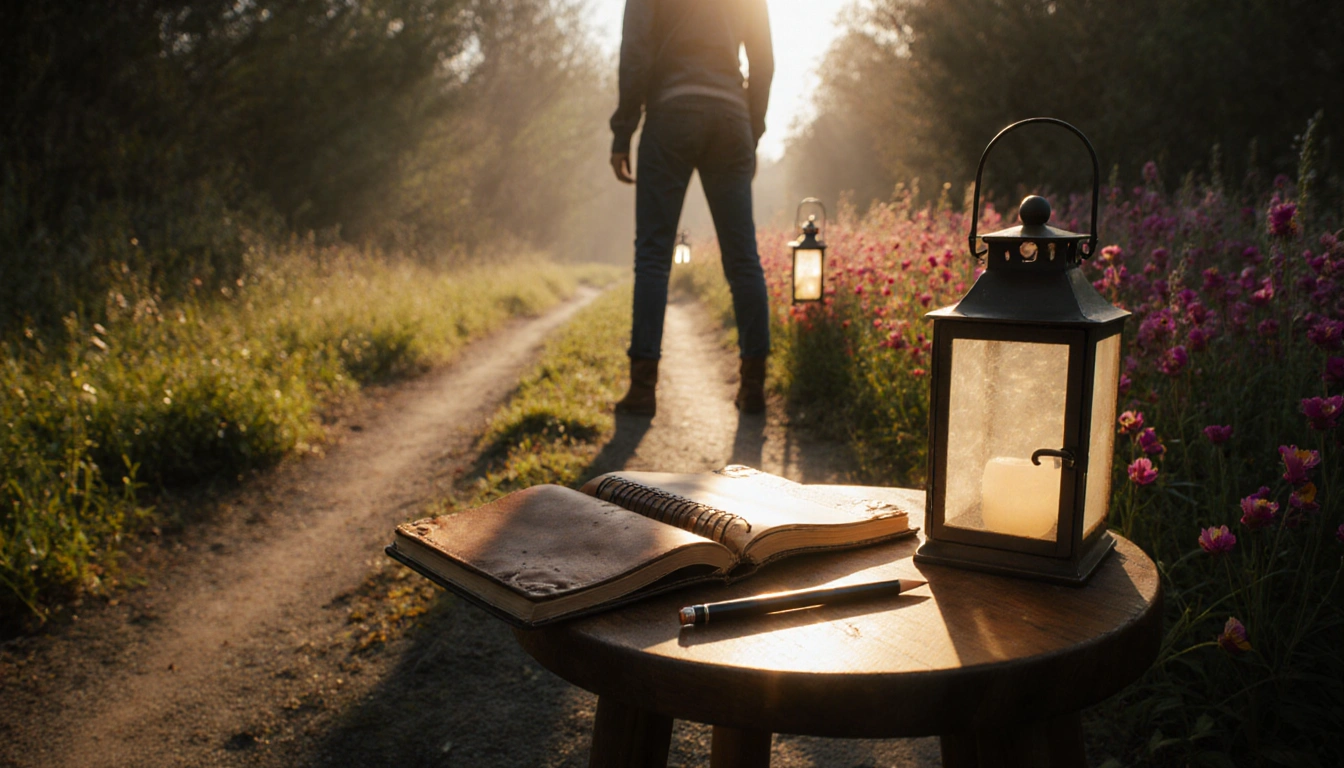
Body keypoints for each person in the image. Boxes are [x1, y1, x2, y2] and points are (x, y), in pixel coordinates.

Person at [609, 0, 773, 417]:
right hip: (730, 117)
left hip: (671, 112)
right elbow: (764, 59)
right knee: (743, 257)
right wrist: (750, 129)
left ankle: (643, 390)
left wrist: (624, 130)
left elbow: (636, 50)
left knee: (653, 255)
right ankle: (753, 387)